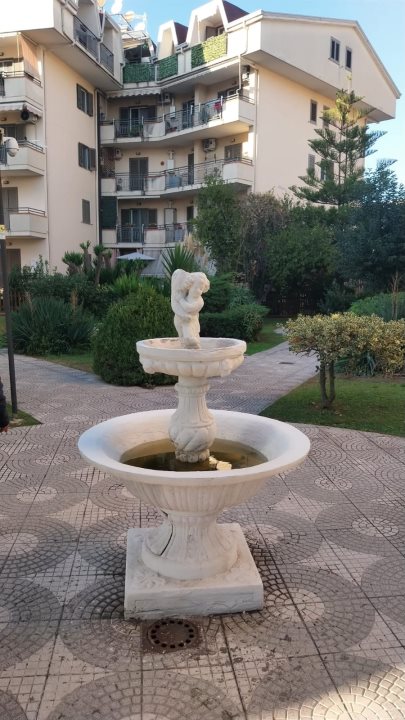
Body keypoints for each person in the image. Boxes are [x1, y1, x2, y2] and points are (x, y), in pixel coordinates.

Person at [171, 269, 210, 348]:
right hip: (180, 320)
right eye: (195, 287)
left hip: (190, 322)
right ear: (189, 286)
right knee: (182, 337)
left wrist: (180, 299)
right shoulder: (186, 296)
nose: (198, 291)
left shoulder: (200, 301)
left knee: (190, 338)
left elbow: (188, 308)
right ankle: (185, 347)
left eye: (201, 289)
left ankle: (193, 347)